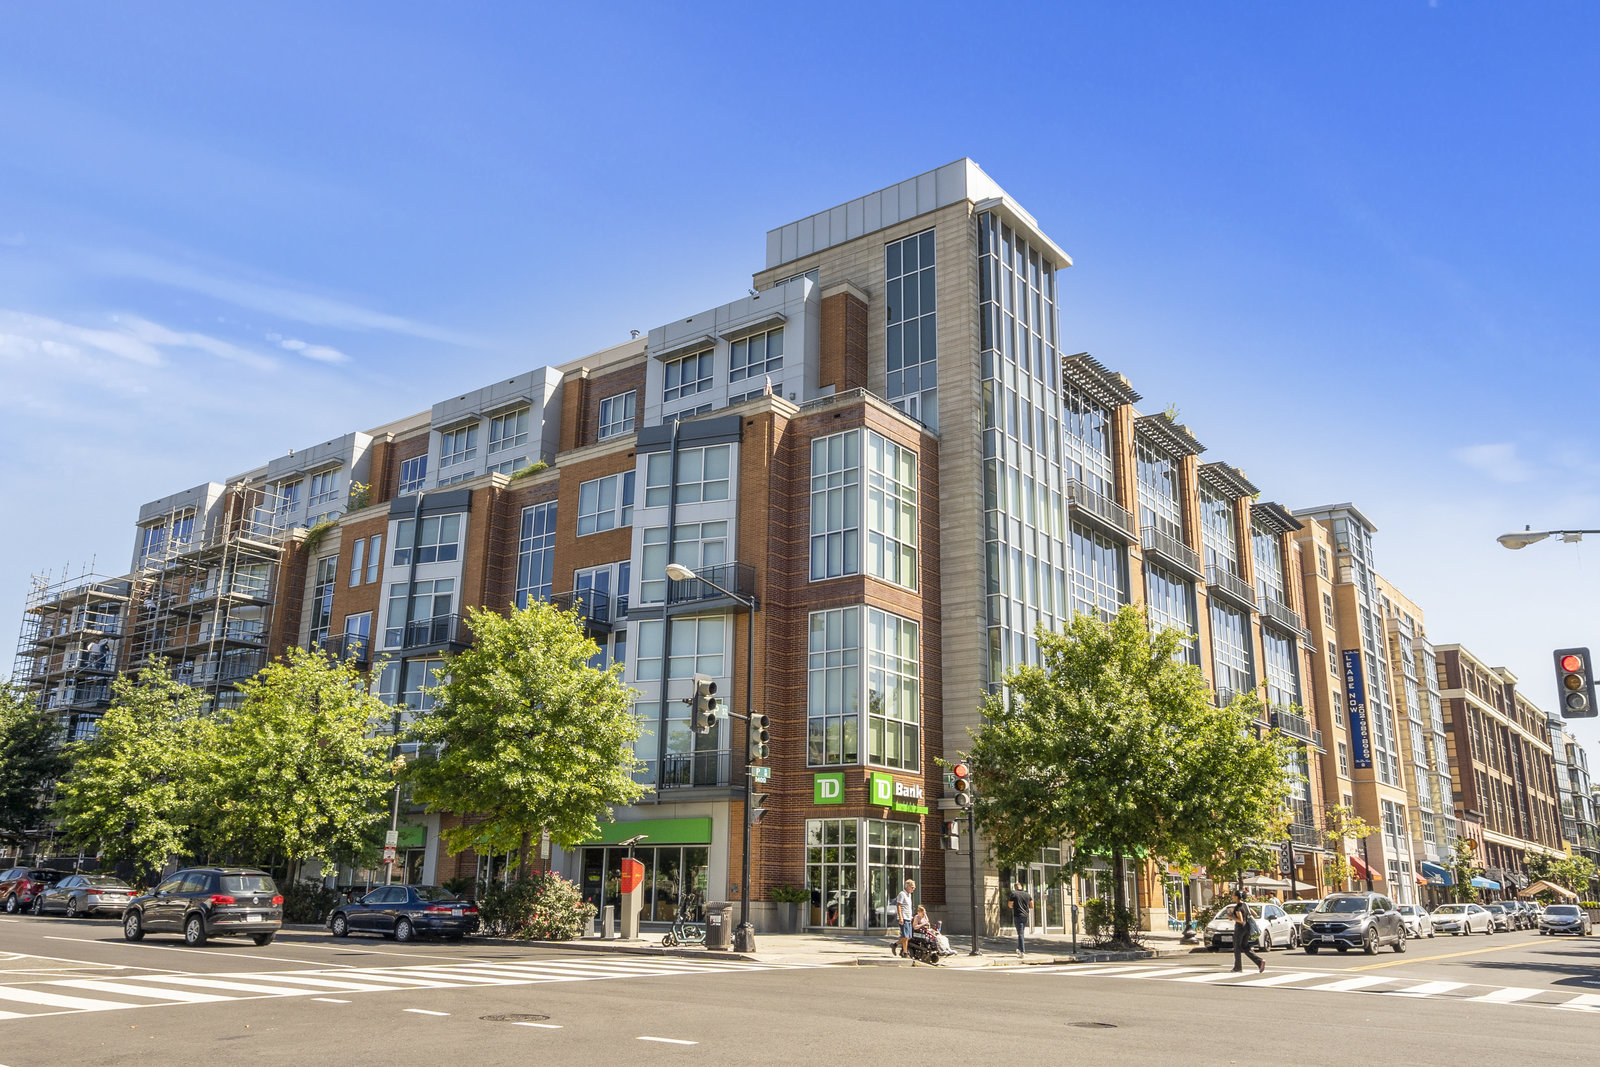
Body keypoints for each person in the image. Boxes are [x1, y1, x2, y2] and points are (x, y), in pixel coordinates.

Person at [1231, 889, 1266, 973]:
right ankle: (1259, 962)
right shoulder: (1245, 905)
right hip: (1247, 928)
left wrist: (1231, 917)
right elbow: (1255, 914)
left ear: (1236, 897)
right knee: (1245, 947)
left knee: (1237, 948)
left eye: (1233, 895)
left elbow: (1240, 920)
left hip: (1240, 929)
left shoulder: (1238, 907)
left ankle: (1238, 967)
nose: (1232, 896)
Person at [1009, 879, 1033, 957]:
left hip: (1018, 915)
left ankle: (1022, 951)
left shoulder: (1014, 894)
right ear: (1021, 887)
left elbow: (1010, 905)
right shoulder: (1027, 894)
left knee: (1020, 933)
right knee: (1021, 932)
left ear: (1015, 887)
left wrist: (1014, 906)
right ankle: (1019, 948)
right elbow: (1032, 906)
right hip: (1025, 916)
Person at [893, 878, 916, 958]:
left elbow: (907, 907)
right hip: (904, 918)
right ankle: (905, 953)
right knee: (905, 936)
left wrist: (911, 916)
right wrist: (901, 917)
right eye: (912, 887)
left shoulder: (909, 895)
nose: (913, 889)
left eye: (914, 887)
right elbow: (898, 905)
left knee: (908, 937)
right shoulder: (902, 894)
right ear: (907, 886)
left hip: (908, 918)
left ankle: (895, 945)